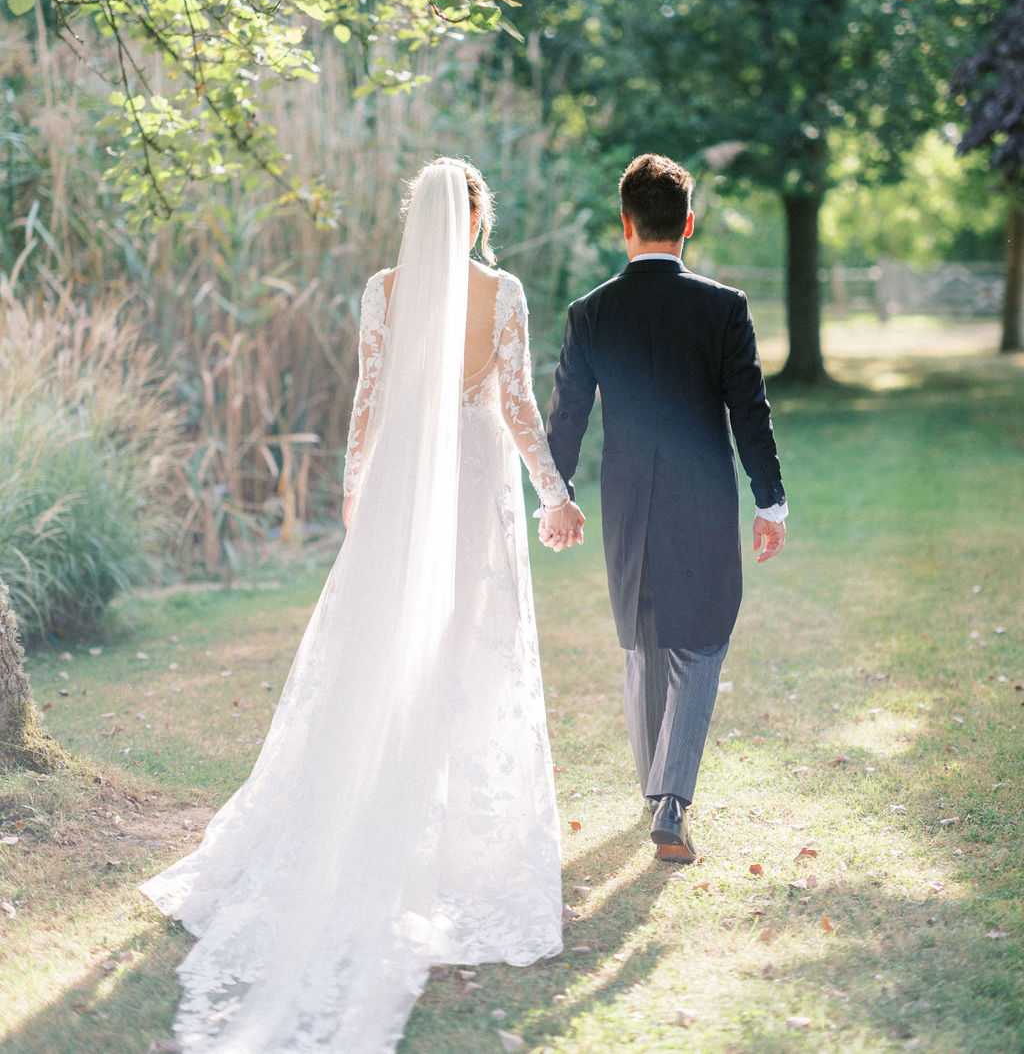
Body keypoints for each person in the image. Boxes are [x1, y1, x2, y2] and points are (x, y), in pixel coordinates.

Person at [141, 158, 585, 1054]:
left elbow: (369, 401)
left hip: (400, 488)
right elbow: (518, 403)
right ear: (472, 219)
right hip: (471, 482)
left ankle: (380, 816)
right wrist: (554, 490)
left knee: (381, 644)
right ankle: (449, 840)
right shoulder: (503, 293)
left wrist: (354, 488)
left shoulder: (381, 290)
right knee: (467, 648)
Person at [544, 153, 787, 863]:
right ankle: (672, 800)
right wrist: (769, 501)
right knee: (702, 639)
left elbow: (565, 419)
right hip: (703, 500)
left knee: (644, 643)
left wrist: (557, 497)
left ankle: (658, 795)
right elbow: (752, 413)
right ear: (688, 223)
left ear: (626, 226)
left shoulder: (589, 312)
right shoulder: (723, 307)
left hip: (625, 503)